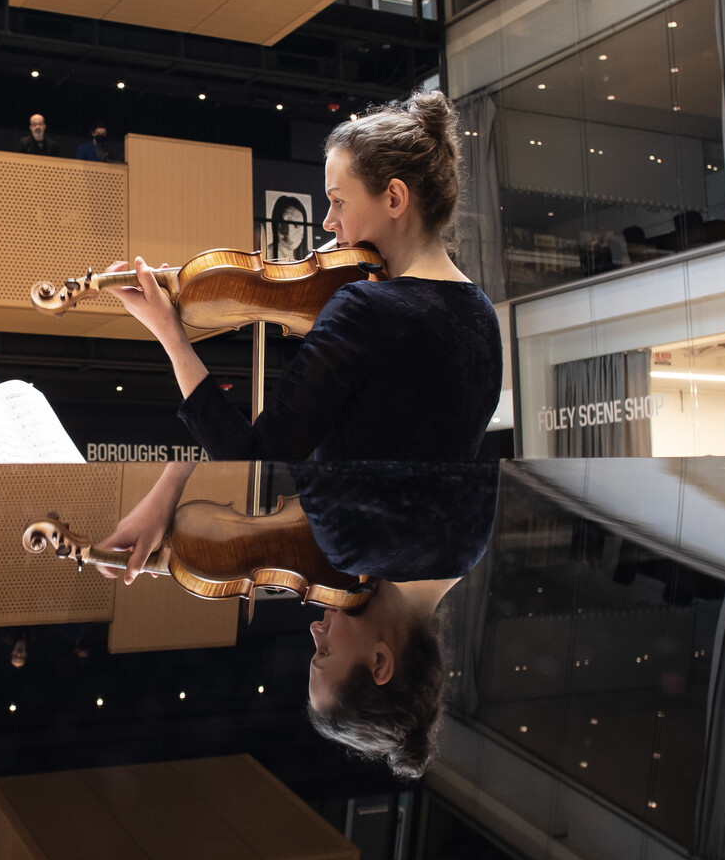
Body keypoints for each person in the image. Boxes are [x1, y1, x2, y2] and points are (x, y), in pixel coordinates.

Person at [106, 90, 501, 462]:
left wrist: (172, 337)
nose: (330, 222)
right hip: (457, 537)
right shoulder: (483, 315)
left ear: (395, 198)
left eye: (338, 201)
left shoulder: (364, 308)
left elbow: (255, 459)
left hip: (356, 537)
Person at [93, 459, 498, 780]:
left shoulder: (468, 545)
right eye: (324, 651)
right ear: (380, 663)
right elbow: (279, 424)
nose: (315, 628)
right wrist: (166, 492)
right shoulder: (353, 543)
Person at [267, 193, 311, 261]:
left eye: (297, 225)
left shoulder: (311, 258)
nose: (289, 233)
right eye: (283, 225)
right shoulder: (266, 254)